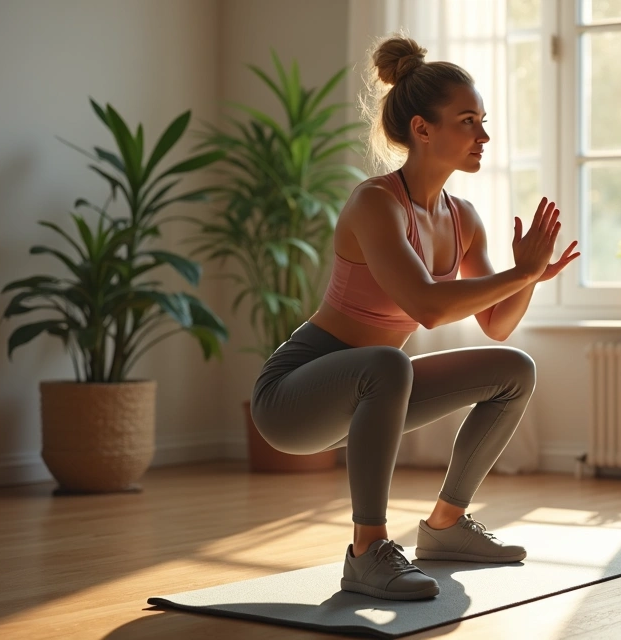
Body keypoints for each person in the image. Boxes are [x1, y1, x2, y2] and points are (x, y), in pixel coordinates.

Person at [249, 34, 580, 601]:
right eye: (468, 121)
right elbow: (426, 307)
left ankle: (447, 525)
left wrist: (527, 278)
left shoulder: (463, 218)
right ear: (423, 129)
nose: (484, 135)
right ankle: (367, 550)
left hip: (375, 388)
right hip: (292, 398)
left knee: (514, 369)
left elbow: (496, 324)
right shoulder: (374, 203)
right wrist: (520, 274)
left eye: (483, 120)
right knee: (386, 364)